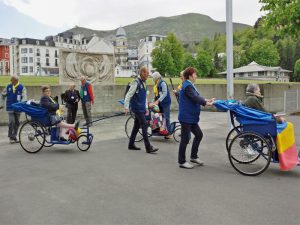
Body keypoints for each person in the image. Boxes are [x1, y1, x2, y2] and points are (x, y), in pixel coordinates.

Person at [178, 67, 215, 169]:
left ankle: (193, 156)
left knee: (199, 135)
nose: (196, 76)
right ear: (190, 76)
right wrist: (206, 103)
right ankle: (182, 161)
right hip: (186, 117)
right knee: (185, 139)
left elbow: (196, 96)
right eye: (195, 74)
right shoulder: (187, 86)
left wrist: (207, 100)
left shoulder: (190, 85)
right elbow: (195, 98)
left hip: (191, 117)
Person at [124, 67, 158, 154]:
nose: (148, 75)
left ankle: (131, 144)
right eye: (147, 73)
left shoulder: (144, 82)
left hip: (141, 108)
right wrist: (126, 107)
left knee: (136, 127)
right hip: (137, 108)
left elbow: (144, 97)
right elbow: (128, 95)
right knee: (144, 125)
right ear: (142, 73)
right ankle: (148, 147)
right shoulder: (136, 82)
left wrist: (146, 107)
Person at [0, 75, 27, 143]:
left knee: (17, 123)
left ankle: (14, 136)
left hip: (18, 108)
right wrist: (1, 104)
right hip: (10, 107)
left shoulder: (22, 87)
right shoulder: (8, 86)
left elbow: (24, 96)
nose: (10, 81)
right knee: (11, 122)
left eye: (12, 80)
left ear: (16, 81)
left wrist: (22, 103)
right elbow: (3, 95)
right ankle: (11, 137)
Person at [151, 71, 172, 138]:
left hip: (166, 103)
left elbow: (165, 93)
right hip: (160, 103)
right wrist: (153, 101)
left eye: (153, 78)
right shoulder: (157, 84)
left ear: (156, 78)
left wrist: (158, 101)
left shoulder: (162, 83)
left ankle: (169, 134)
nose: (153, 80)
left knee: (166, 117)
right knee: (159, 116)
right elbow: (157, 95)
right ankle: (161, 130)